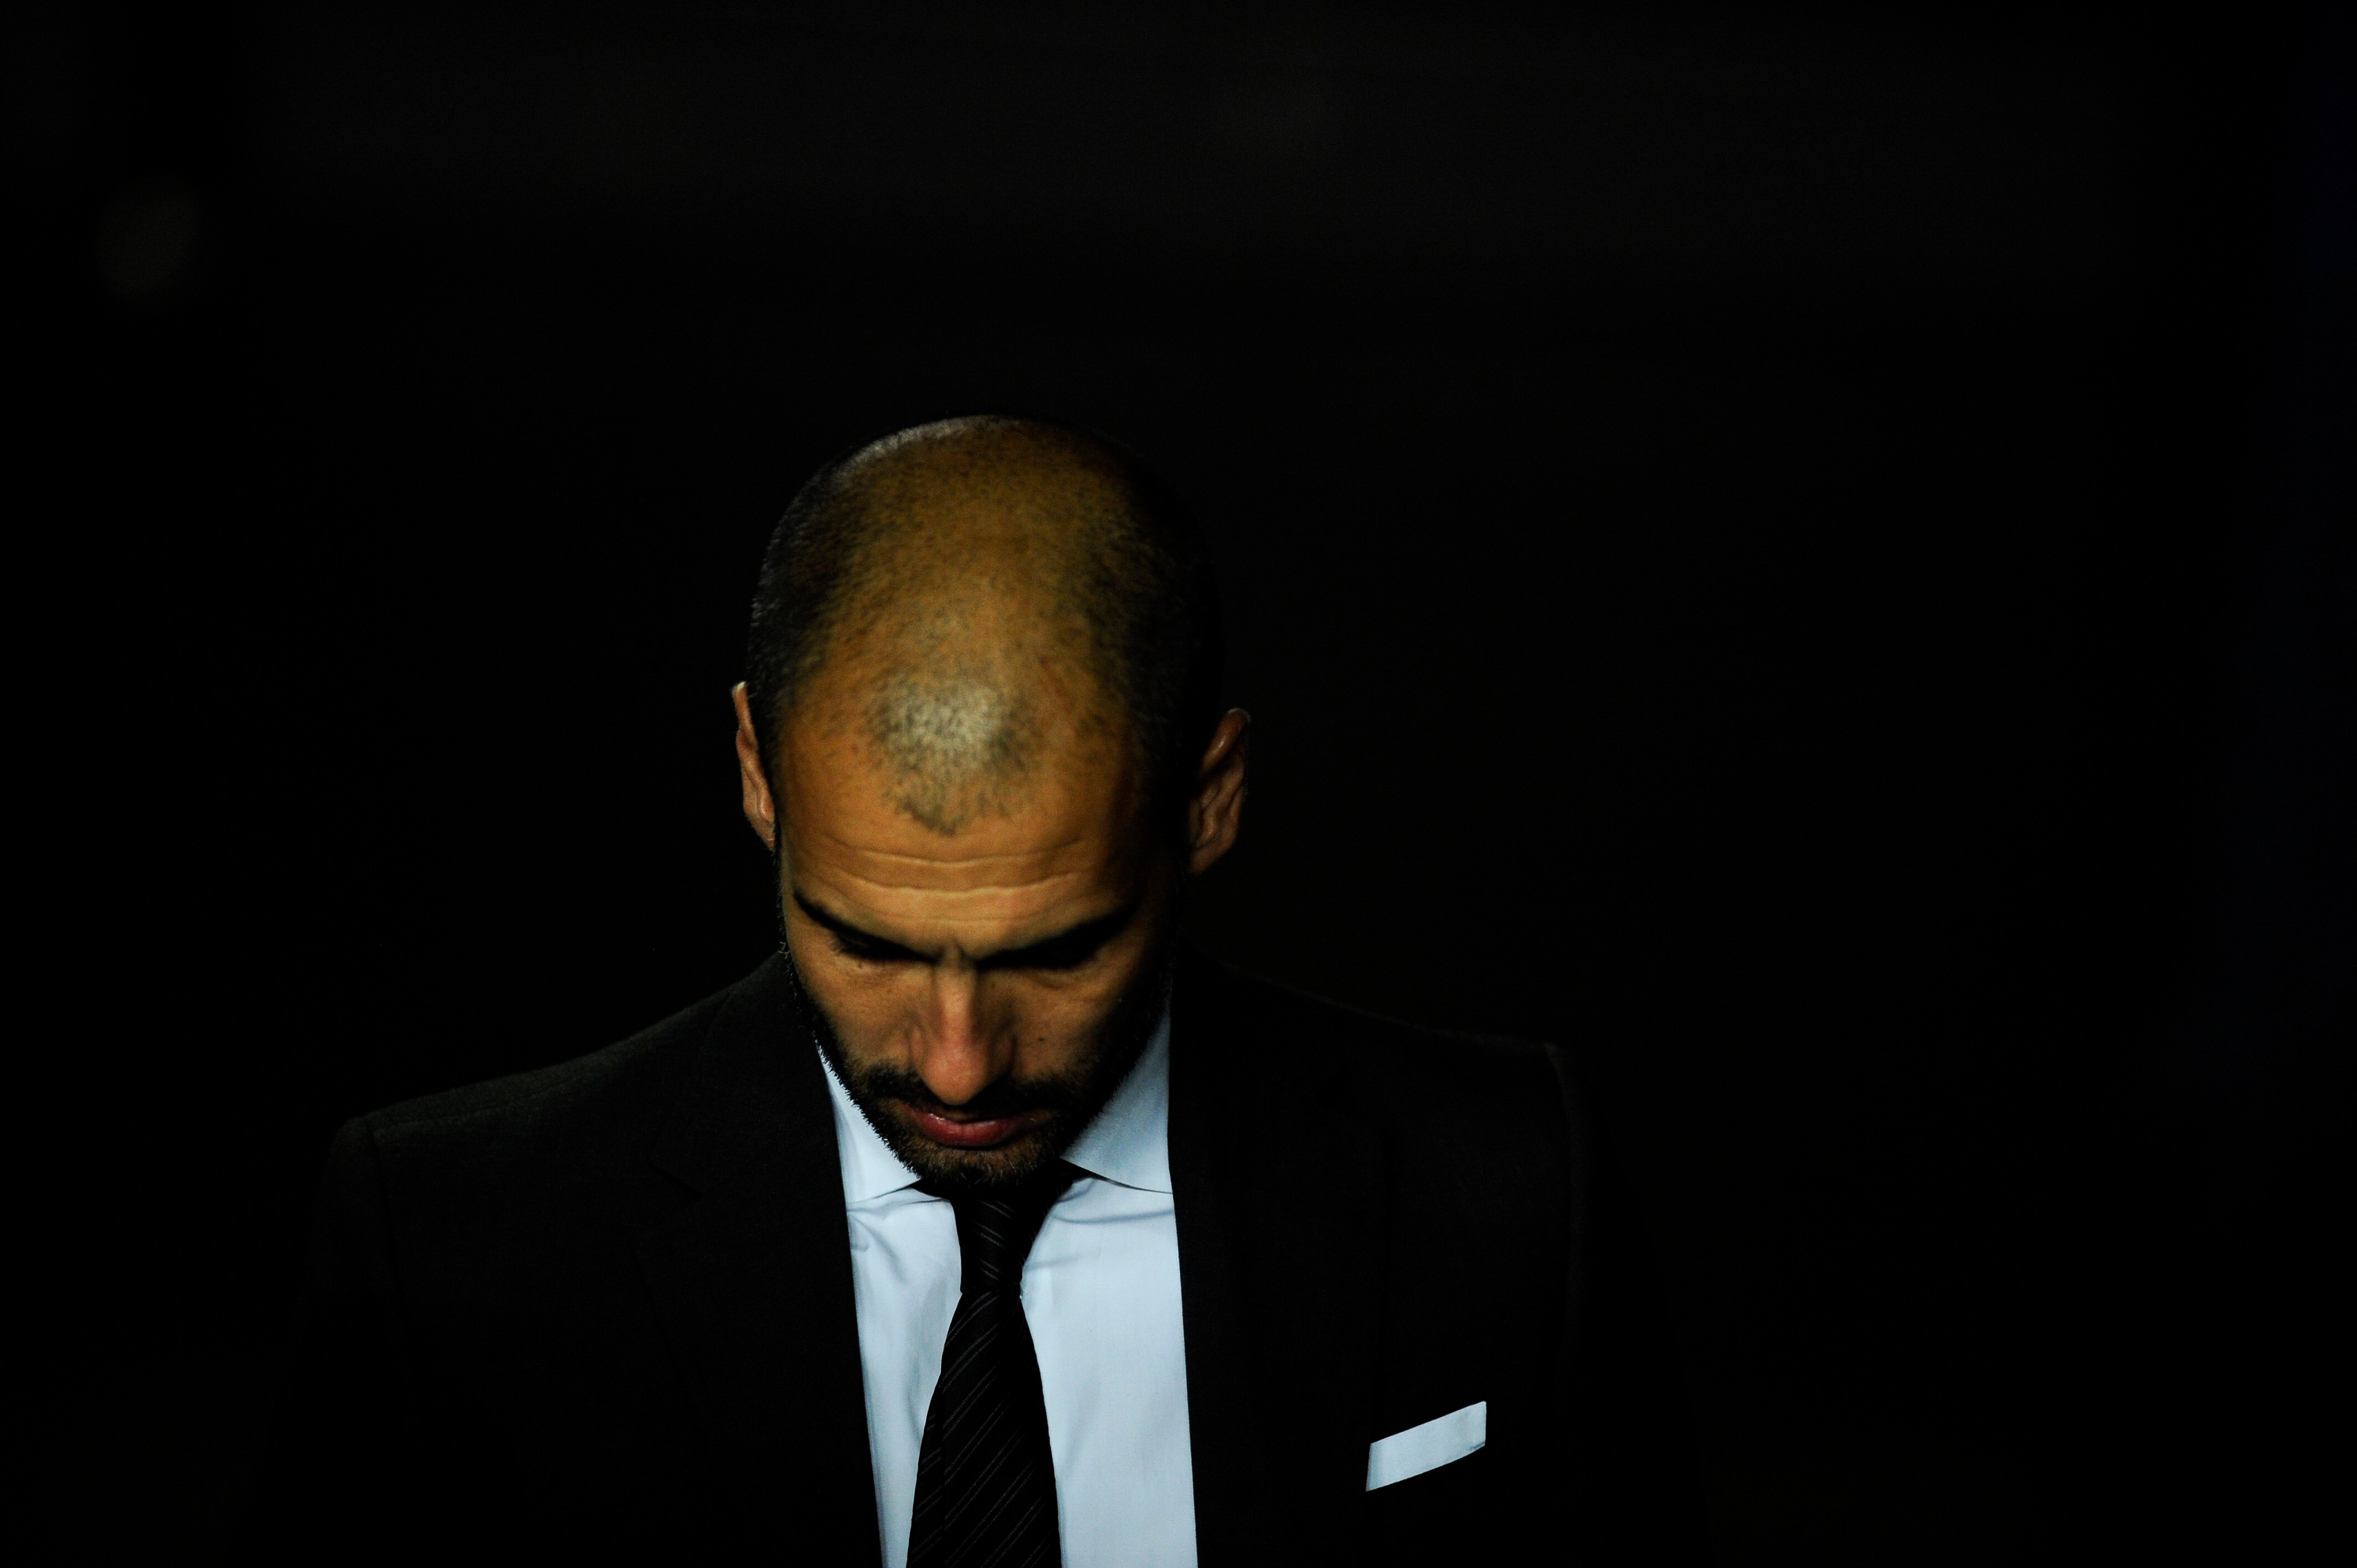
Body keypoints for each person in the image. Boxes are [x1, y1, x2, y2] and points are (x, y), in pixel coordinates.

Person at [235, 417, 1707, 1565]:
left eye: (1056, 952)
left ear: (1211, 801)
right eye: (866, 943)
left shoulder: (1508, 1190)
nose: (953, 1064)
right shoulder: (453, 1253)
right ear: (756, 773)